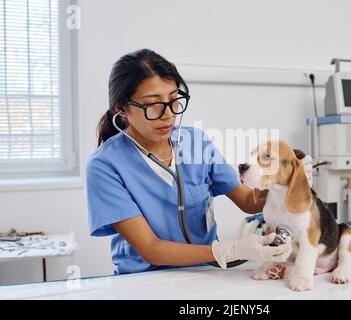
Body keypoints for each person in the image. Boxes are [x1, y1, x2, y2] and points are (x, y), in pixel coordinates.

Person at [86, 49, 309, 274]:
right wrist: (228, 251)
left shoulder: (197, 143)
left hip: (206, 274)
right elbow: (150, 248)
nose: (168, 114)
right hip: (145, 281)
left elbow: (248, 201)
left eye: (174, 100)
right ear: (121, 107)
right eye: (153, 104)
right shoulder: (105, 166)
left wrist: (287, 180)